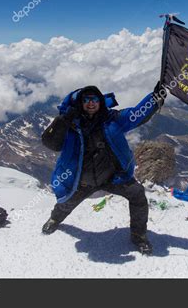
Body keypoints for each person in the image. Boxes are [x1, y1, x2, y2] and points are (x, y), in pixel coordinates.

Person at [41, 83, 164, 255]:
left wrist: (155, 99)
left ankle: (139, 236)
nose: (91, 103)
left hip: (113, 177)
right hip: (82, 180)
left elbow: (137, 115)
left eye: (94, 99)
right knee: (65, 202)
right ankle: (55, 219)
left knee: (137, 195)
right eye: (86, 100)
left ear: (100, 101)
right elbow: (51, 143)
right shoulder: (71, 125)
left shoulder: (113, 119)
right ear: (80, 103)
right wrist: (62, 121)